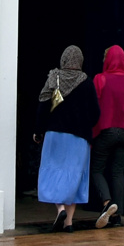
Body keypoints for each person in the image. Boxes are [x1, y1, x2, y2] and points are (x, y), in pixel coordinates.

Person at [32, 45, 98, 231]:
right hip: (79, 138)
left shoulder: (54, 78)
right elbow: (95, 112)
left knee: (53, 172)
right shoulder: (87, 82)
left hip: (55, 135)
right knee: (74, 177)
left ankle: (60, 209)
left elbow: (43, 105)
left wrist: (38, 130)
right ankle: (68, 223)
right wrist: (86, 125)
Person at [89, 45, 124, 229]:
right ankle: (117, 216)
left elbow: (95, 107)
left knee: (97, 169)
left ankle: (107, 203)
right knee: (118, 171)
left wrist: (92, 132)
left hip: (106, 131)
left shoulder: (100, 79)